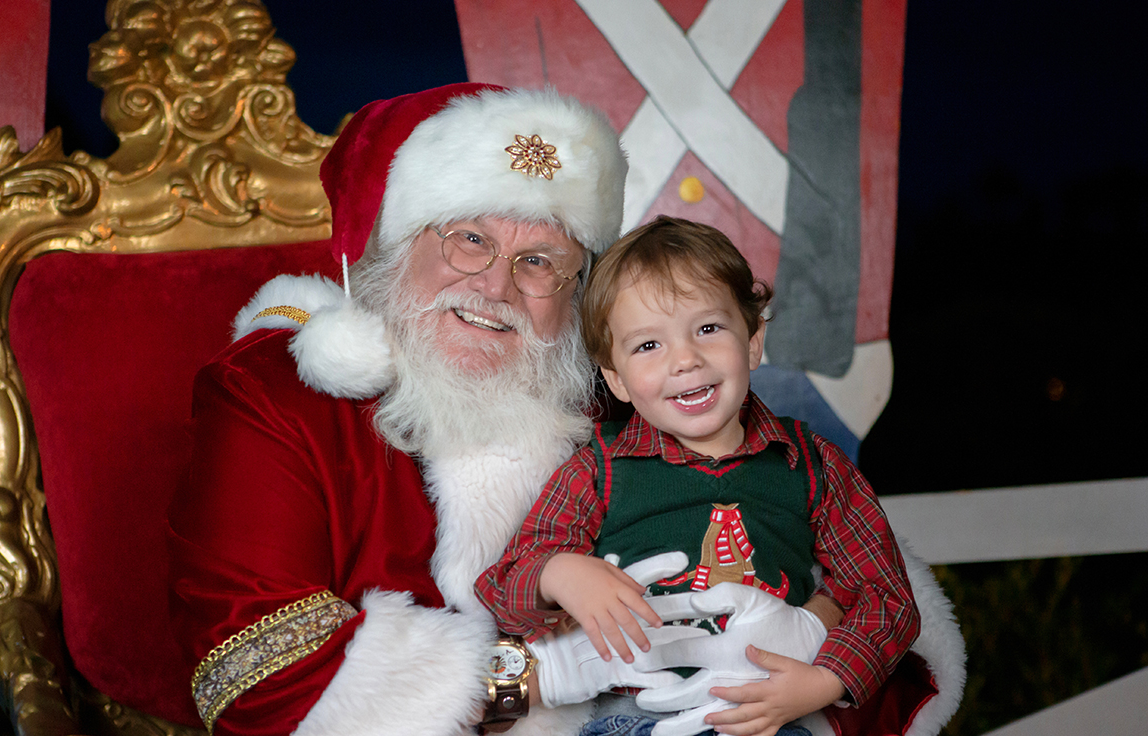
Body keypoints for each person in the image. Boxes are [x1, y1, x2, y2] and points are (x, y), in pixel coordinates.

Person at [167, 84, 964, 736]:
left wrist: (809, 636)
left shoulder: (616, 391)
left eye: (540, 260)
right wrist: (539, 679)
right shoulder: (276, 393)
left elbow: (821, 534)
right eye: (468, 239)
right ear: (394, 242)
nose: (496, 286)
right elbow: (257, 679)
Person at [475, 217, 920, 736]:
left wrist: (825, 680)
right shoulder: (596, 468)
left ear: (753, 340)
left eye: (708, 329)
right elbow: (504, 585)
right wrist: (558, 574)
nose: (685, 359)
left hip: (763, 717)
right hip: (630, 716)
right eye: (648, 345)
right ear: (616, 379)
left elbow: (884, 595)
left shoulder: (812, 463)